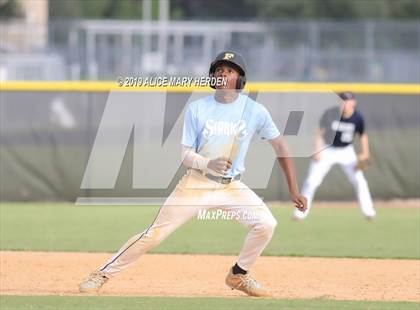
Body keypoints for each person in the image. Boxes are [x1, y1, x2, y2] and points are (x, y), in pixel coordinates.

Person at [79, 51, 307, 297]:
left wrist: (294, 189)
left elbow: (281, 146)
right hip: (197, 184)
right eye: (218, 70)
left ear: (240, 79)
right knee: (153, 235)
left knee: (266, 224)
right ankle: (101, 273)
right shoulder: (198, 109)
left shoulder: (255, 111)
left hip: (231, 187)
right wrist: (209, 163)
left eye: (229, 70)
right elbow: (185, 155)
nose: (222, 74)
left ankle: (239, 275)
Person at [293, 91, 376, 221]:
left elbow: (363, 135)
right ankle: (300, 212)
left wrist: (365, 153)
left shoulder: (358, 117)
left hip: (347, 151)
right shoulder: (330, 114)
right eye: (343, 100)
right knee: (311, 181)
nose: (345, 103)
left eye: (348, 101)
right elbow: (319, 131)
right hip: (327, 149)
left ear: (353, 103)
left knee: (360, 181)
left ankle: (369, 212)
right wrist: (317, 150)